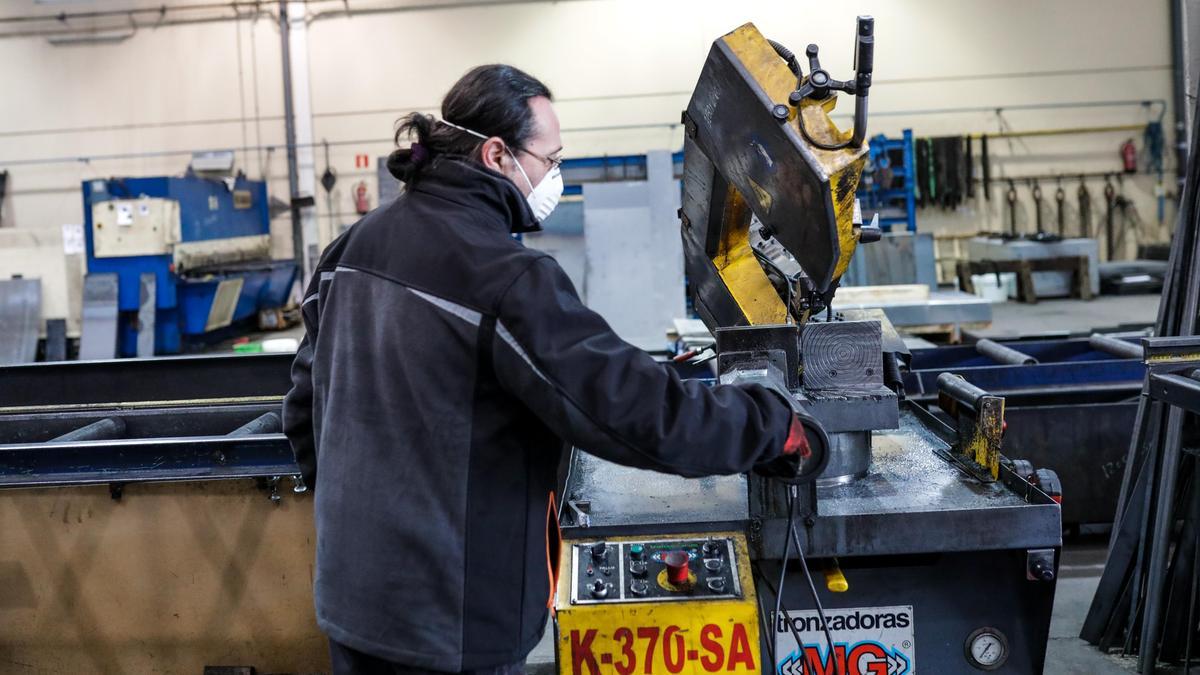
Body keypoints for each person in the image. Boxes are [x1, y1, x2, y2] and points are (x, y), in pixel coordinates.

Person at [283, 64, 815, 675]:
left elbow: (304, 408)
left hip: (352, 605)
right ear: (496, 154)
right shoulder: (503, 276)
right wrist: (769, 426)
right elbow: (628, 408)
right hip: (451, 626)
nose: (553, 176)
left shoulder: (351, 248)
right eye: (550, 158)